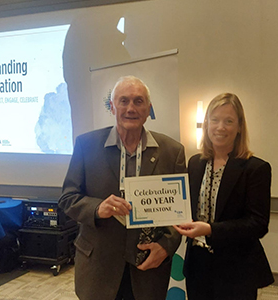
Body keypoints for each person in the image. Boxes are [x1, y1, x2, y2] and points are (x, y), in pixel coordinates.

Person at [58, 76, 186, 300]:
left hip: (148, 268)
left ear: (149, 109)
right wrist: (97, 208)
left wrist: (166, 246)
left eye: (139, 101)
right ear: (112, 107)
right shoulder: (86, 145)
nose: (130, 108)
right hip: (98, 266)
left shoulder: (171, 152)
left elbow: (181, 213)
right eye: (123, 101)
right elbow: (68, 199)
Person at [174, 93, 274, 300]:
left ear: (239, 127)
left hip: (237, 268)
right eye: (215, 120)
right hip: (197, 264)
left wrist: (210, 230)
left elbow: (258, 224)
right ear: (206, 124)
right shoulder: (195, 163)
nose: (220, 127)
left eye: (229, 121)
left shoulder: (255, 168)